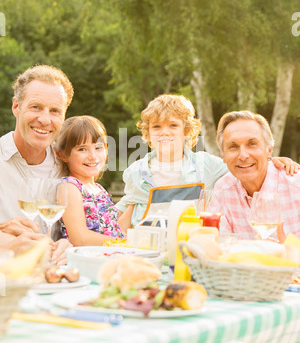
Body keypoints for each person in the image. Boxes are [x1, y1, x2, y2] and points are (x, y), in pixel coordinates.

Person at [116, 95, 297, 227]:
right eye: (156, 127)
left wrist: (271, 160)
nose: (164, 132)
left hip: (189, 249)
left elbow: (241, 165)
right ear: (148, 132)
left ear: (186, 131)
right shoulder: (136, 171)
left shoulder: (206, 165)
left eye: (173, 125)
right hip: (148, 249)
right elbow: (127, 205)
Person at [0, 64, 75, 263]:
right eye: (36, 107)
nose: (44, 119)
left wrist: (71, 243)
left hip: (58, 283)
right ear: (16, 106)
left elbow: (87, 226)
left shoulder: (69, 165)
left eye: (55, 111)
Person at [209, 110, 300, 240]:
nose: (243, 155)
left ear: (269, 150)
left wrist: (290, 253)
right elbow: (216, 245)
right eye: (233, 146)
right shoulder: (223, 189)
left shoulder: (296, 186)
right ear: (223, 155)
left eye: (252, 144)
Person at [55, 116, 132, 246]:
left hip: (108, 255)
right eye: (82, 149)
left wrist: (135, 201)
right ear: (63, 155)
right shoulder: (70, 187)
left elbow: (114, 230)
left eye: (98, 148)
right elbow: (80, 238)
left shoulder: (99, 189)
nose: (92, 156)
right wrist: (124, 243)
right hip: (86, 260)